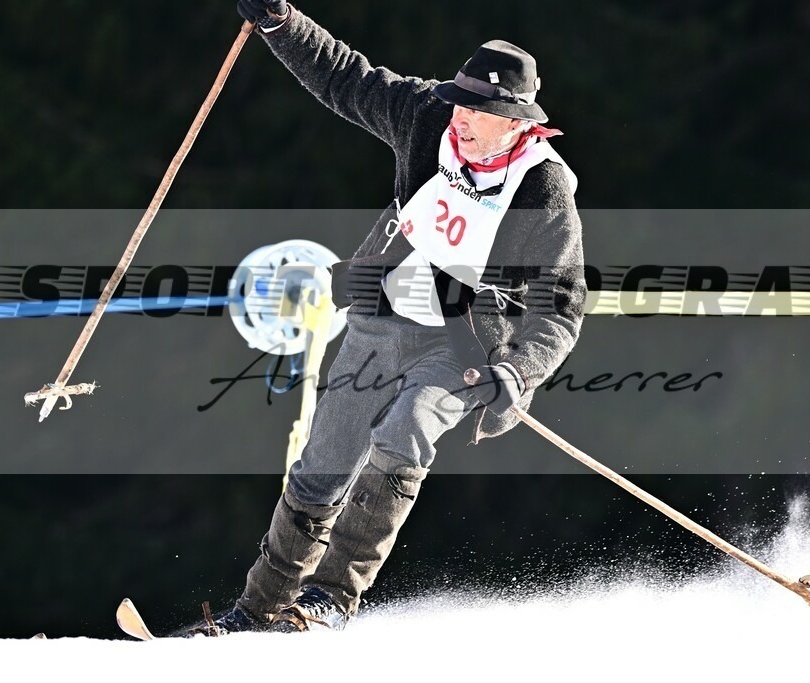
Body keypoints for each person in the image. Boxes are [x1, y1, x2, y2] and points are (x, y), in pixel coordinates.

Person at [206, 0, 586, 633]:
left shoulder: (543, 191)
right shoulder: (426, 115)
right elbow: (344, 75)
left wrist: (519, 374)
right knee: (324, 462)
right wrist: (279, 21)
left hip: (459, 350)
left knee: (405, 429)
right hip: (383, 316)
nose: (463, 120)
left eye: (482, 112)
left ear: (517, 125)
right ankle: (257, 609)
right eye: (461, 105)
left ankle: (330, 599)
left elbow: (561, 309)